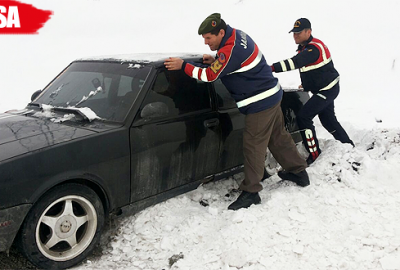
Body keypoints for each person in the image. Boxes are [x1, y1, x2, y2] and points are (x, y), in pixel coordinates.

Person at [164, 13, 309, 211]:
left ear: (221, 32)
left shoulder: (229, 50)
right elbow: (231, 62)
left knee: (253, 146)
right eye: (204, 39)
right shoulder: (237, 36)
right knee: (277, 137)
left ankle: (251, 192)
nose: (206, 43)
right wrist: (216, 59)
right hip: (272, 94)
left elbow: (209, 76)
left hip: (260, 103)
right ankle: (299, 172)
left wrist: (184, 66)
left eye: (209, 38)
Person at [271, 18, 354, 165]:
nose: (295, 35)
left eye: (298, 32)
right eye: (294, 33)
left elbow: (294, 63)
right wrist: (307, 84)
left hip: (327, 89)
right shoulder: (306, 47)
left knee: (304, 116)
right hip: (326, 88)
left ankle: (314, 153)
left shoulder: (313, 48)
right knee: (328, 120)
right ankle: (348, 146)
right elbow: (314, 69)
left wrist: (270, 68)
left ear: (308, 32)